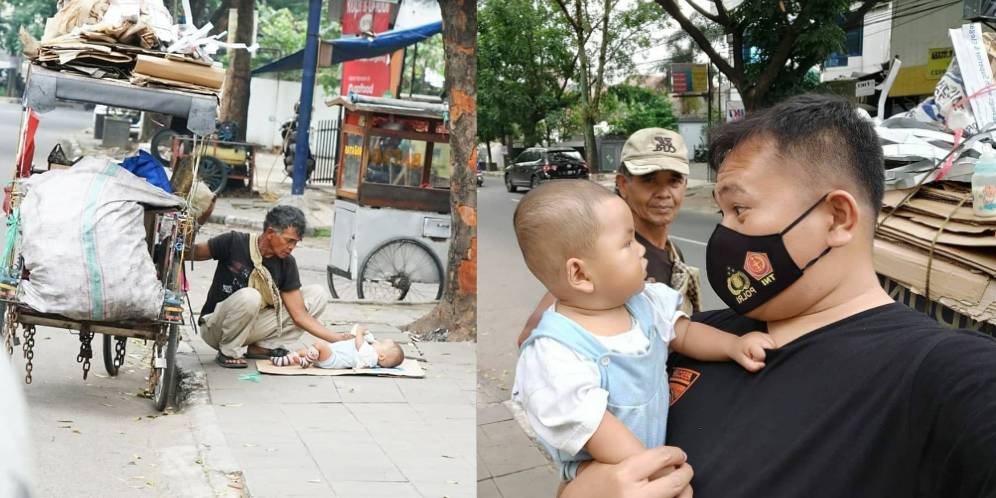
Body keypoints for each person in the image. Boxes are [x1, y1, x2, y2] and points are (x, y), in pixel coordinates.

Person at [560, 94, 996, 497]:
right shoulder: (688, 337)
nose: (723, 233)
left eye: (741, 210)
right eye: (721, 212)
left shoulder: (946, 377)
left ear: (838, 218)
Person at [511, 180, 774, 483]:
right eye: (627, 243)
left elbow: (683, 333)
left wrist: (733, 345)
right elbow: (594, 426)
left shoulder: (644, 302)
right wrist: (655, 470)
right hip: (606, 471)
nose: (640, 249)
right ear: (581, 274)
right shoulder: (555, 352)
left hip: (653, 452)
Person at [518, 128, 700, 346]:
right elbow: (531, 337)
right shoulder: (609, 259)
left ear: (685, 186)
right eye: (649, 180)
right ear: (623, 185)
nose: (664, 193)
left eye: (674, 181)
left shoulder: (672, 252)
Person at [191, 205, 352, 368]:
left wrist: (339, 339)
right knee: (251, 296)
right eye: (289, 240)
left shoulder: (287, 263)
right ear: (270, 233)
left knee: (317, 295)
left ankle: (262, 347)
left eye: (295, 243)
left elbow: (299, 315)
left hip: (251, 328)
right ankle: (228, 351)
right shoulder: (234, 242)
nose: (292, 247)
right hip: (216, 328)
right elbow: (195, 252)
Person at [270, 325, 405, 370]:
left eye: (381, 344)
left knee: (319, 345)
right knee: (303, 350)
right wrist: (356, 336)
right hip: (331, 353)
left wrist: (359, 333)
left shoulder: (371, 357)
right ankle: (290, 358)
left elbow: (359, 346)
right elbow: (358, 342)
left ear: (382, 356)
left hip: (333, 359)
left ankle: (306, 361)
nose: (377, 342)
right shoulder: (371, 351)